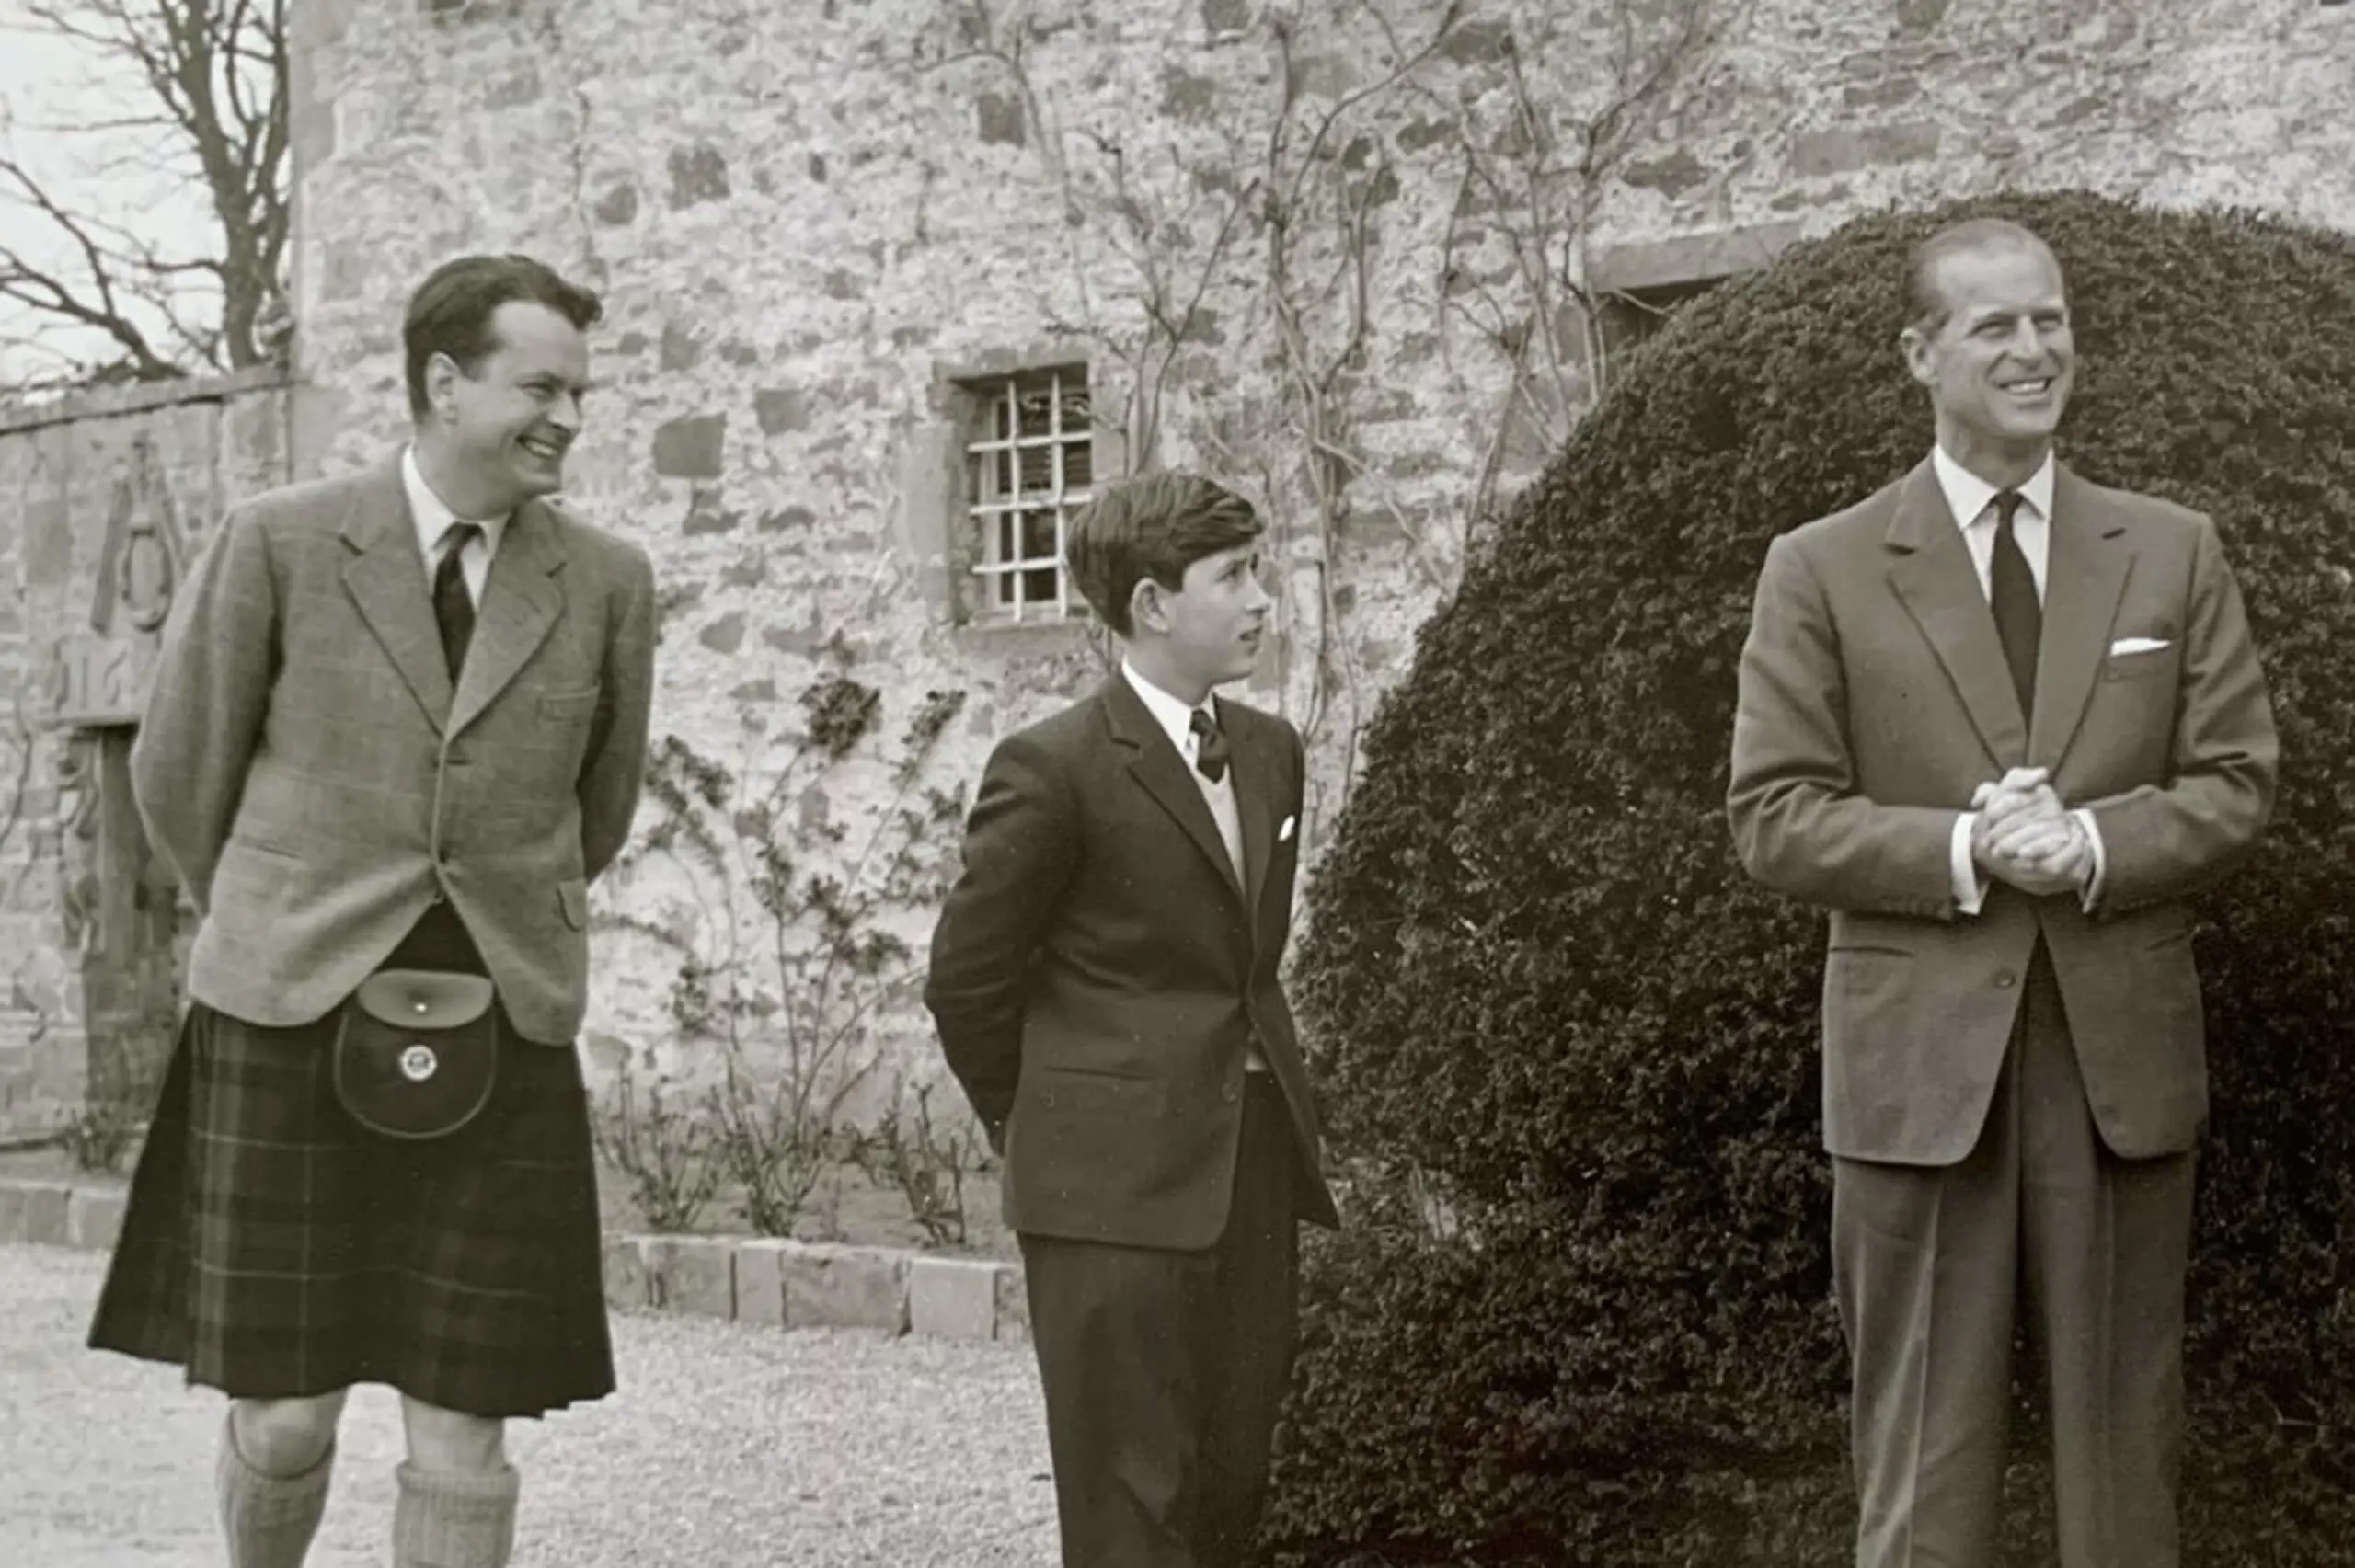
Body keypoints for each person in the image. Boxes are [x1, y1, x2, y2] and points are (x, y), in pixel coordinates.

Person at [88, 253, 657, 1568]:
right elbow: (177, 774)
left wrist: (501, 913)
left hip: (500, 1018)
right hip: (285, 1008)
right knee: (284, 1417)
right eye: (539, 385)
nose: (567, 416)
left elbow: (600, 810)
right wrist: (278, 915)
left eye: (580, 390)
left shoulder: (608, 582)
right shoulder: (280, 541)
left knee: (467, 1429)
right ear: (443, 383)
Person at [1727, 216, 2279, 1567]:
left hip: (2119, 1062)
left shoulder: (2170, 549)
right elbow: (1775, 815)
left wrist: (2088, 846)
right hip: (1920, 1073)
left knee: (2124, 1462)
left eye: (2051, 321)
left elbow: (2235, 778)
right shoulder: (1825, 565)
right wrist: (1966, 851)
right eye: (1995, 326)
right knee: (1922, 1462)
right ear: (1919, 354)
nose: (2035, 350)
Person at [924, 471, 1342, 1568]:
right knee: (1128, 1508)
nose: (1260, 599)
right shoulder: (1051, 767)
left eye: (1256, 570)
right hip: (1105, 1191)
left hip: (1250, 1165)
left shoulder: (1270, 749)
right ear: (1152, 605)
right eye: (1233, 577)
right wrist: (1049, 1122)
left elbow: (1245, 969)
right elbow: (967, 978)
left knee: (1234, 1479)